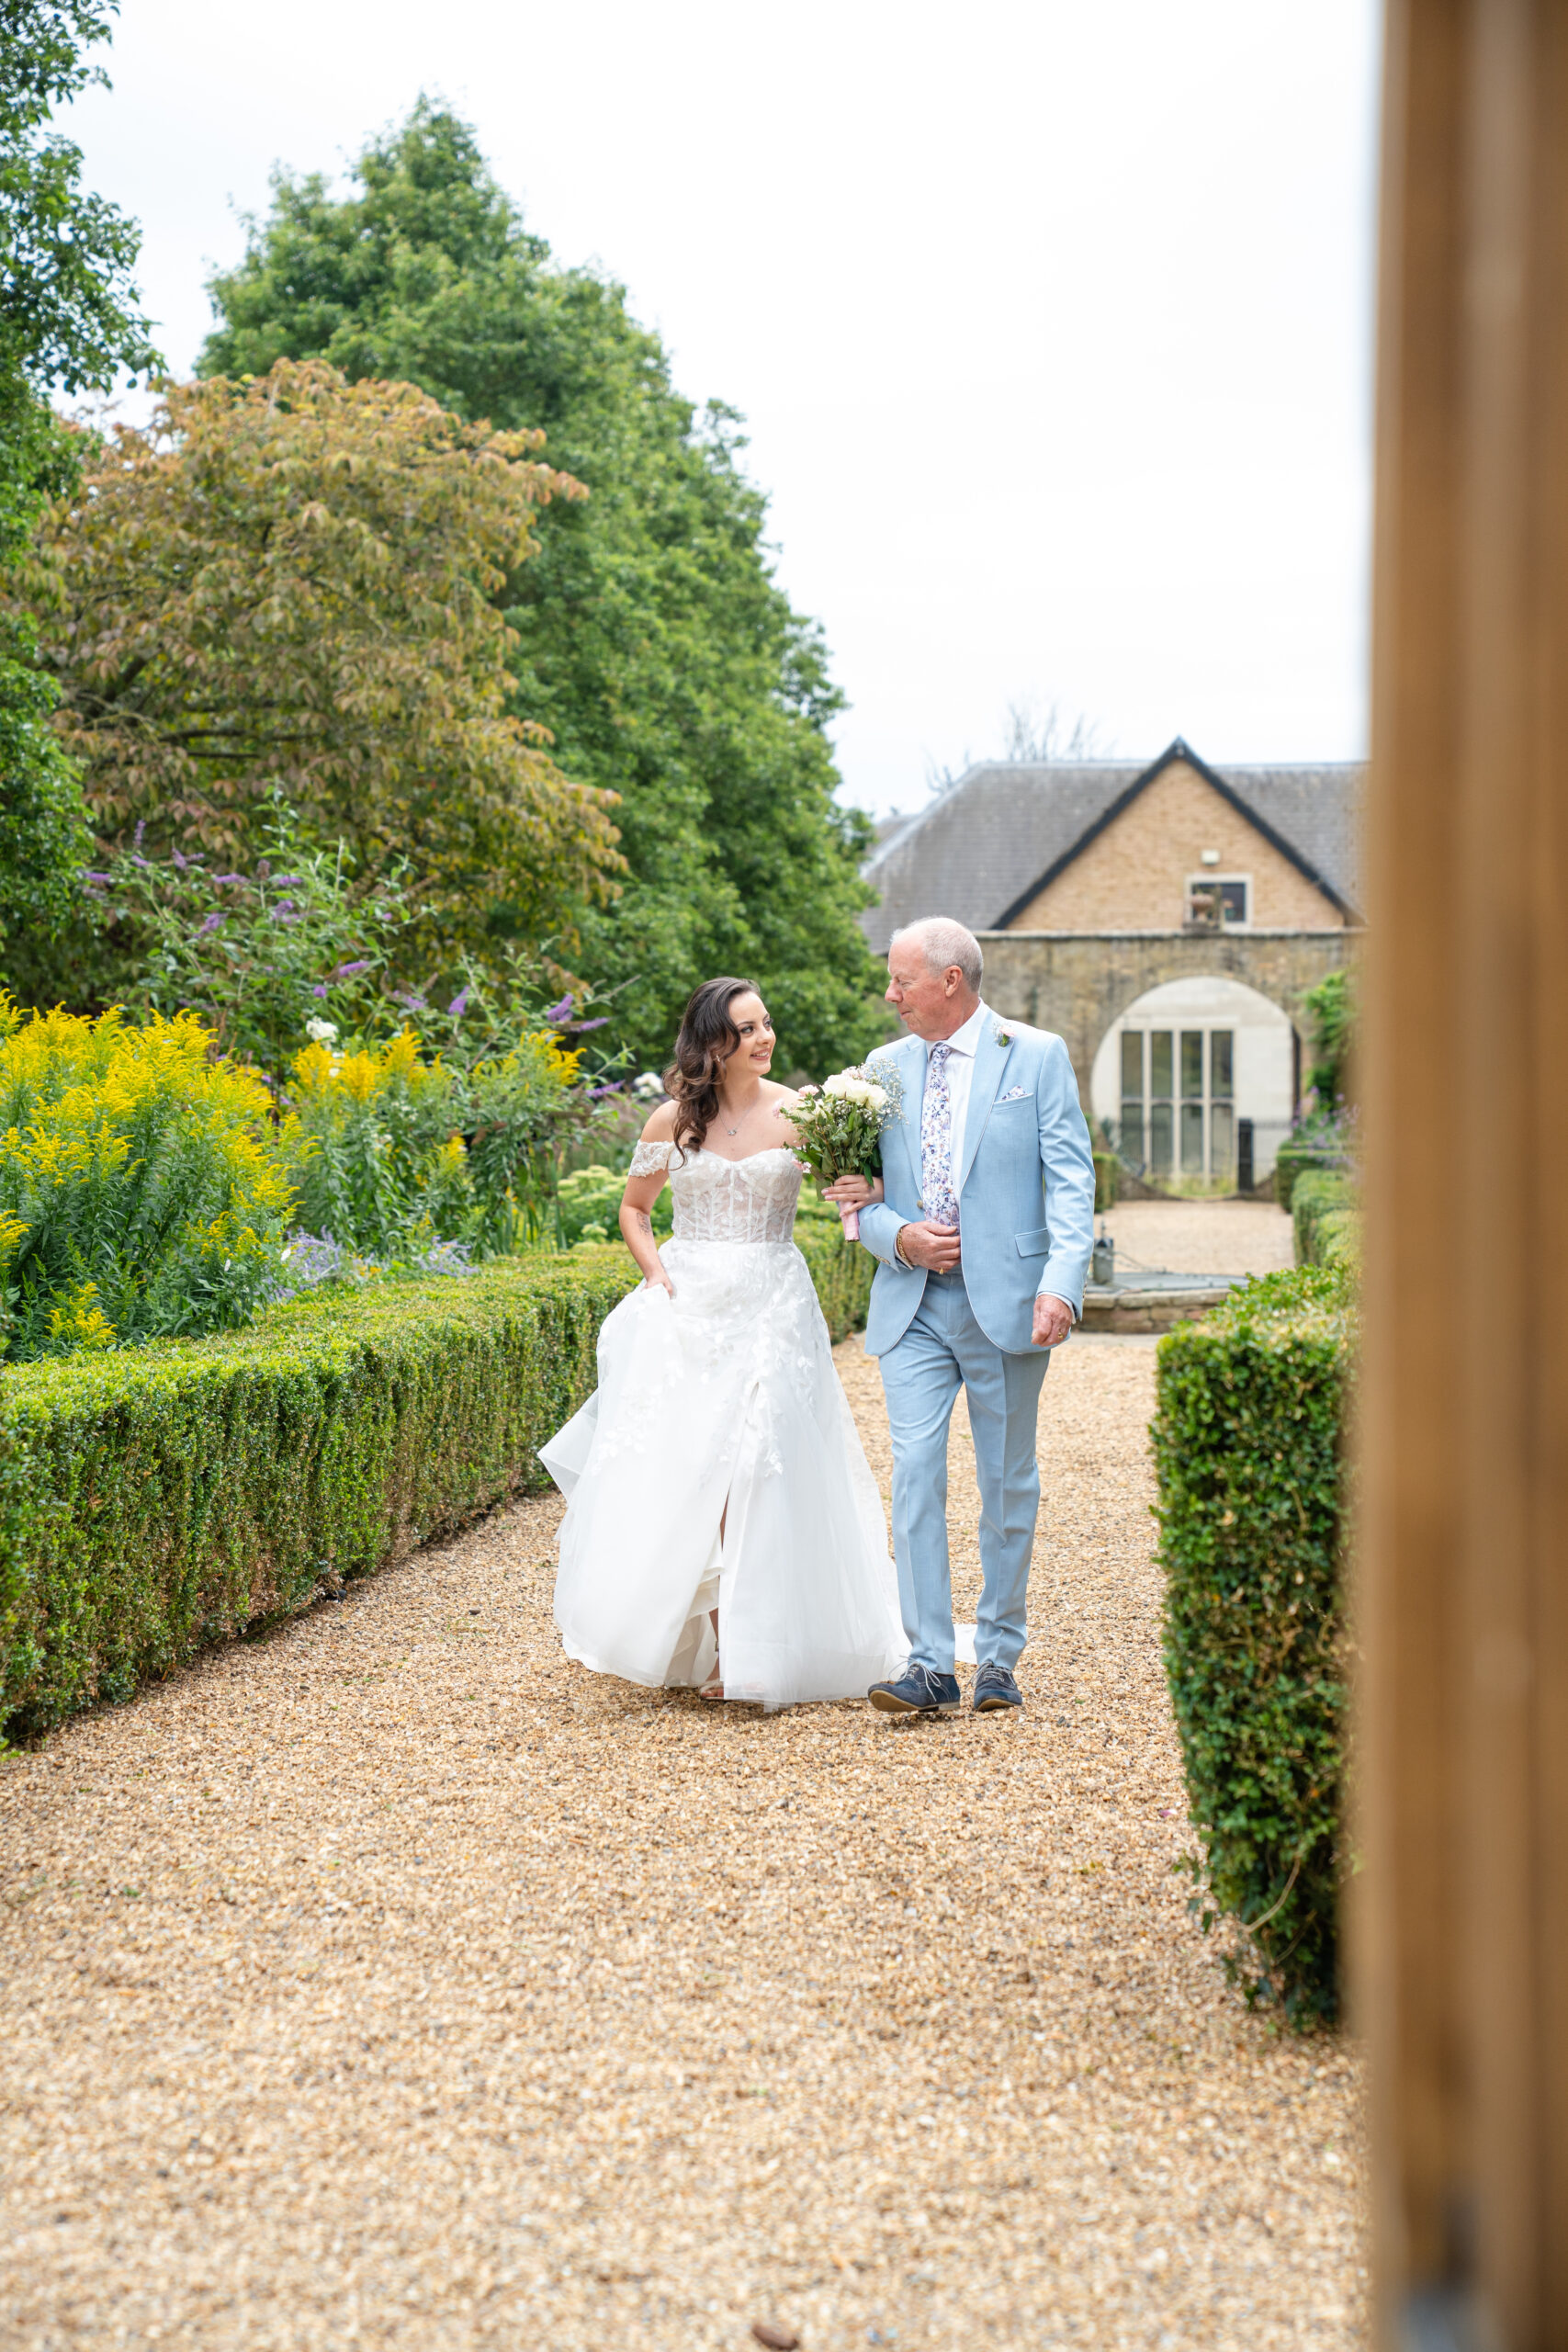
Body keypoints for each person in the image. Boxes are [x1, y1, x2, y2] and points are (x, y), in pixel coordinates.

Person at [541, 977, 905, 1710]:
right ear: (712, 1043)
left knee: (757, 1469)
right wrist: (656, 1277)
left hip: (773, 1305)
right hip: (691, 1306)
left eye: (765, 1023)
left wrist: (855, 1192)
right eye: (746, 1029)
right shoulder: (670, 1121)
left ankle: (753, 1647)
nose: (764, 1038)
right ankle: (719, 1644)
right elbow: (634, 1210)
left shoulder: (805, 1111)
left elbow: (857, 1185)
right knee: (698, 1469)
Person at [852, 917, 1096, 1717]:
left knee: (1004, 1483)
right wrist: (900, 1238)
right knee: (916, 1477)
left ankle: (997, 1658)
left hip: (1011, 1303)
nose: (890, 995)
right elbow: (853, 1201)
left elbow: (1070, 1178)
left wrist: (1061, 1284)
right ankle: (928, 1662)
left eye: (902, 981)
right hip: (911, 1305)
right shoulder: (879, 1072)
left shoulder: (1035, 1055)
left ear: (950, 980)